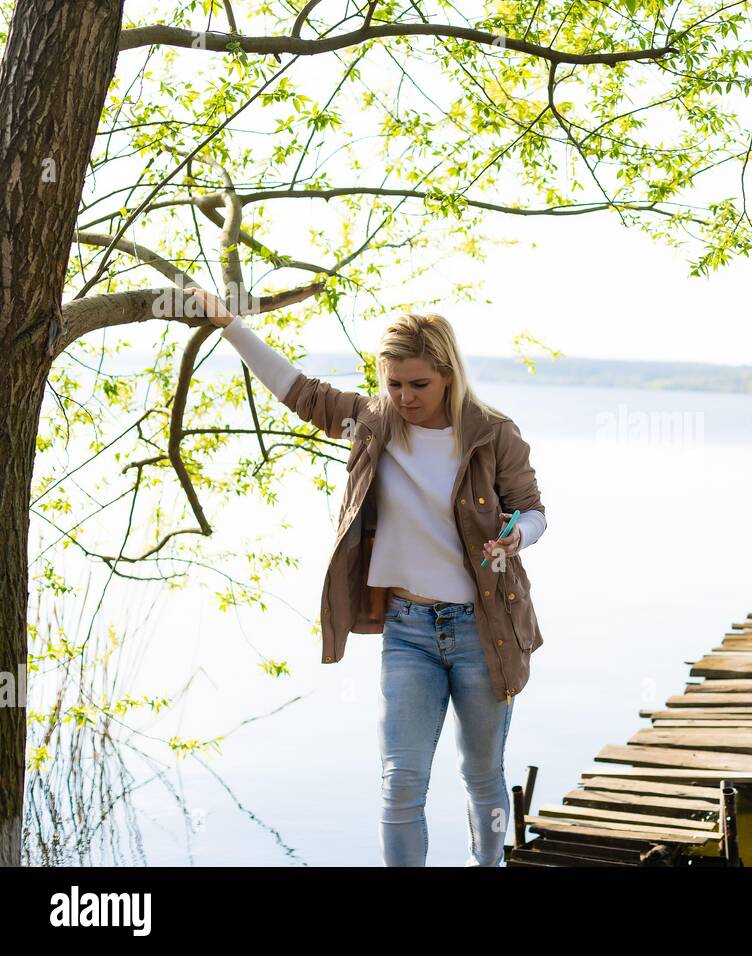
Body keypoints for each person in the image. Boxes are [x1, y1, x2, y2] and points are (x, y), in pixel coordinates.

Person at [193, 289, 547, 867]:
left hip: (485, 632)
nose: (405, 398)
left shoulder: (493, 434)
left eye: (418, 385)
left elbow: (532, 509)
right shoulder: (373, 423)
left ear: (448, 376)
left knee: (482, 775)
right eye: (394, 384)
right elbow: (299, 392)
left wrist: (518, 535)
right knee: (401, 782)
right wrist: (229, 324)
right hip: (407, 630)